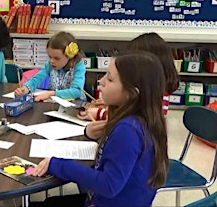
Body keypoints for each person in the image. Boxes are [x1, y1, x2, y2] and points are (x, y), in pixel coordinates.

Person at [31, 52, 169, 206]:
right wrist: (94, 133)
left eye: (110, 79)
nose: (101, 81)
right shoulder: (145, 120)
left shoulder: (128, 130)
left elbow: (108, 185)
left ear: (131, 94)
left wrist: (58, 165)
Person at [78, 32, 179, 121]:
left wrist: (100, 113)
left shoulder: (157, 96)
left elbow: (134, 119)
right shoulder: (146, 90)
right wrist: (112, 104)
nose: (102, 81)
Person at [14, 31, 86, 102]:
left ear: (70, 56)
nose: (52, 61)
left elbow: (77, 91)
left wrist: (52, 93)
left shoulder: (78, 66)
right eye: (50, 57)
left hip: (75, 105)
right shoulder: (49, 65)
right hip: (54, 105)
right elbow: (36, 79)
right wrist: (25, 89)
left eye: (56, 58)